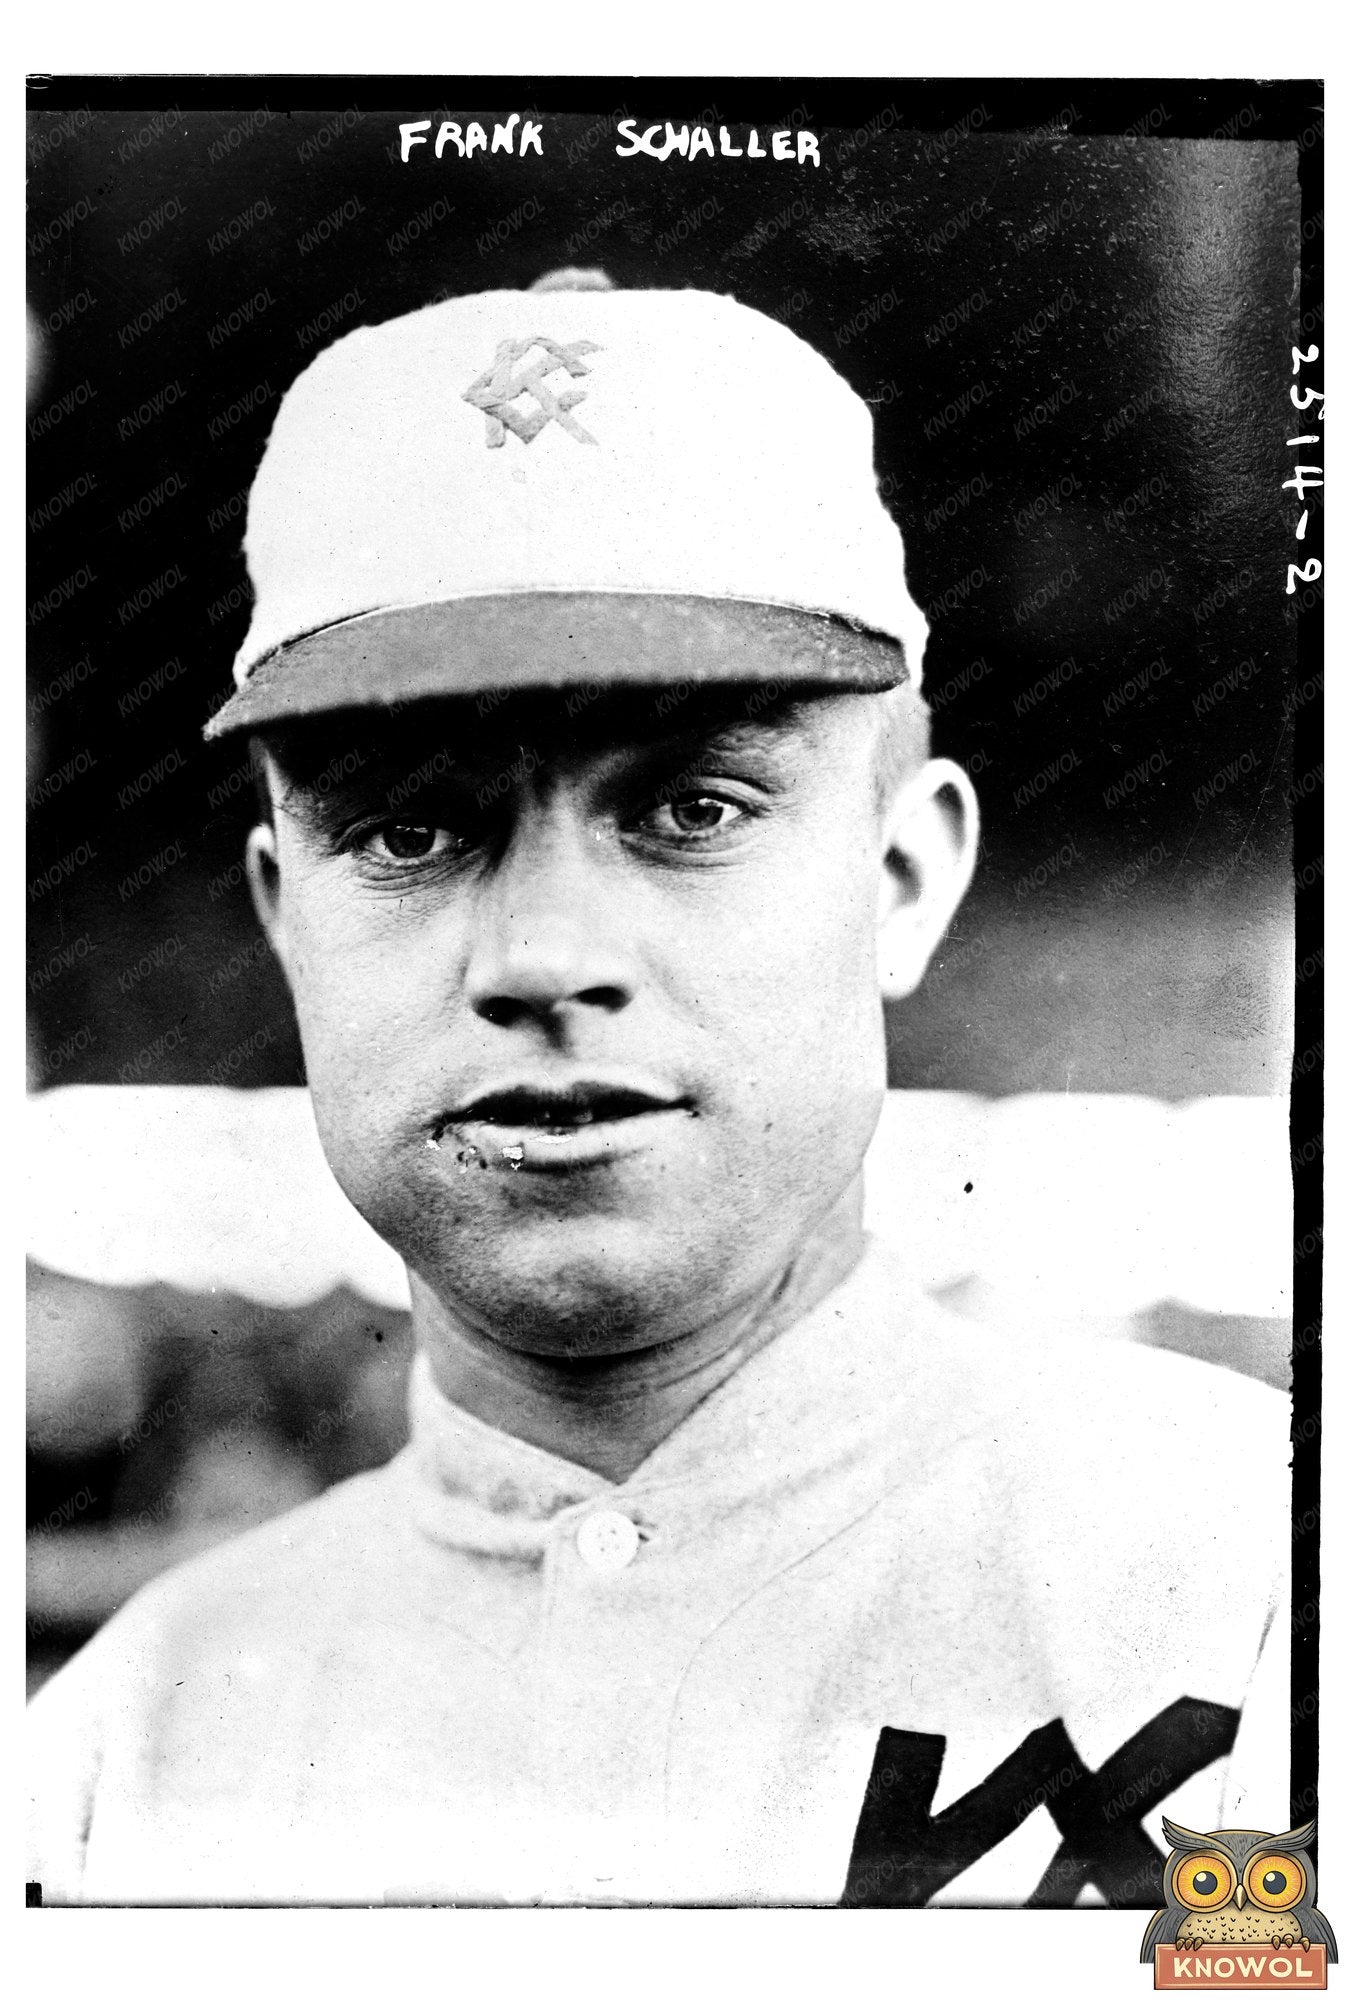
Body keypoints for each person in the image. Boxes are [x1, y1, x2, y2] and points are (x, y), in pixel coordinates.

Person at [26, 269, 1290, 1908]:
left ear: (901, 877)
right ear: (286, 917)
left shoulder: (1258, 1577)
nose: (545, 955)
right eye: (407, 830)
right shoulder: (112, 1762)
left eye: (692, 807)